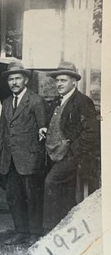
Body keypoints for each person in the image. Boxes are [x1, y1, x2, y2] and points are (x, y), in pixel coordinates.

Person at [0, 61, 47, 245]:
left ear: (25, 80)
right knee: (14, 197)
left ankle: (35, 233)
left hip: (30, 158)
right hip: (10, 159)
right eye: (11, 79)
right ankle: (21, 231)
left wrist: (38, 158)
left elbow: (43, 131)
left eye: (18, 78)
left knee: (33, 197)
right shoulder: (7, 102)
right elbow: (1, 132)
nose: (14, 82)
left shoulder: (36, 101)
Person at [43, 61, 100, 231]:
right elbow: (56, 124)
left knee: (50, 183)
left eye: (63, 80)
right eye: (57, 80)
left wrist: (72, 152)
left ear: (74, 82)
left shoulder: (83, 102)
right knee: (66, 195)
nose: (59, 84)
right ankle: (65, 232)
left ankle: (49, 231)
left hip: (72, 157)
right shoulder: (56, 102)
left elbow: (91, 133)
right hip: (56, 155)